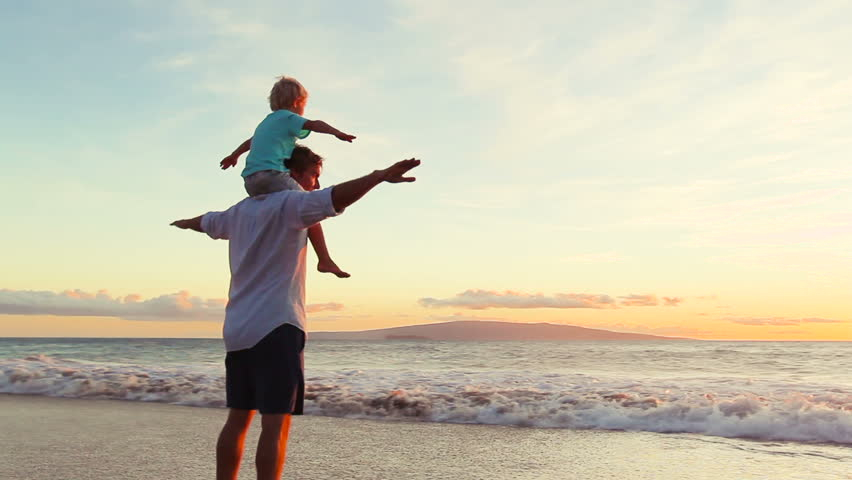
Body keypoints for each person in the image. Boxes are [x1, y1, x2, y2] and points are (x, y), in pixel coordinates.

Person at [171, 148, 420, 480]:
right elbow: (337, 197)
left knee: (238, 419)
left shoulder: (239, 211)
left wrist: (183, 223)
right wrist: (378, 176)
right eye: (314, 175)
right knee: (276, 425)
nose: (316, 184)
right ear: (293, 174)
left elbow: (204, 222)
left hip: (237, 331)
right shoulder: (292, 203)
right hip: (277, 325)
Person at [220, 75, 355, 278]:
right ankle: (325, 259)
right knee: (309, 205)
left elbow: (251, 142)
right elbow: (314, 124)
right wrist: (337, 133)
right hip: (272, 175)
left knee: (277, 209)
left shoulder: (266, 122)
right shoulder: (288, 117)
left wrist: (234, 155)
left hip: (250, 181)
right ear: (297, 102)